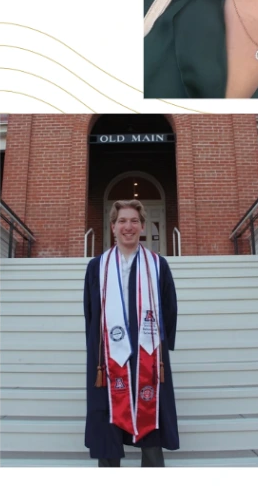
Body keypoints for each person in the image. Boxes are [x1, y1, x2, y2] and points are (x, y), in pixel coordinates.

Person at [84, 200, 178, 466]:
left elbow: (169, 308)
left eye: (134, 221)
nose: (128, 226)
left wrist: (161, 345)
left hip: (147, 353)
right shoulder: (97, 267)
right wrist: (96, 349)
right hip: (108, 356)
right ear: (112, 227)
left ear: (143, 226)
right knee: (108, 423)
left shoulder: (158, 265)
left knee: (151, 420)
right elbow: (90, 314)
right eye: (122, 221)